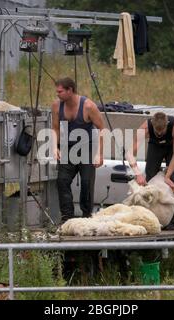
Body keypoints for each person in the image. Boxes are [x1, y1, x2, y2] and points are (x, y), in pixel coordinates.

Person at [51, 77, 105, 222]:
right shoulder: (57, 106)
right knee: (62, 181)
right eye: (57, 92)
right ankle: (67, 217)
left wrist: (99, 154)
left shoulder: (88, 106)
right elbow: (55, 128)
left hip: (87, 147)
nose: (58, 94)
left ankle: (86, 216)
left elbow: (102, 129)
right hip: (67, 148)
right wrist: (54, 147)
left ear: (70, 90)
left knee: (86, 182)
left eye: (60, 92)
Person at [126, 111, 174, 230]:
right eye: (157, 131)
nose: (159, 133)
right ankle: (151, 216)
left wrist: (167, 176)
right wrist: (138, 174)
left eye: (161, 131)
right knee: (150, 179)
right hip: (155, 146)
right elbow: (130, 153)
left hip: (171, 148)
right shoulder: (145, 128)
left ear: (167, 124)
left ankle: (173, 220)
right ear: (152, 124)